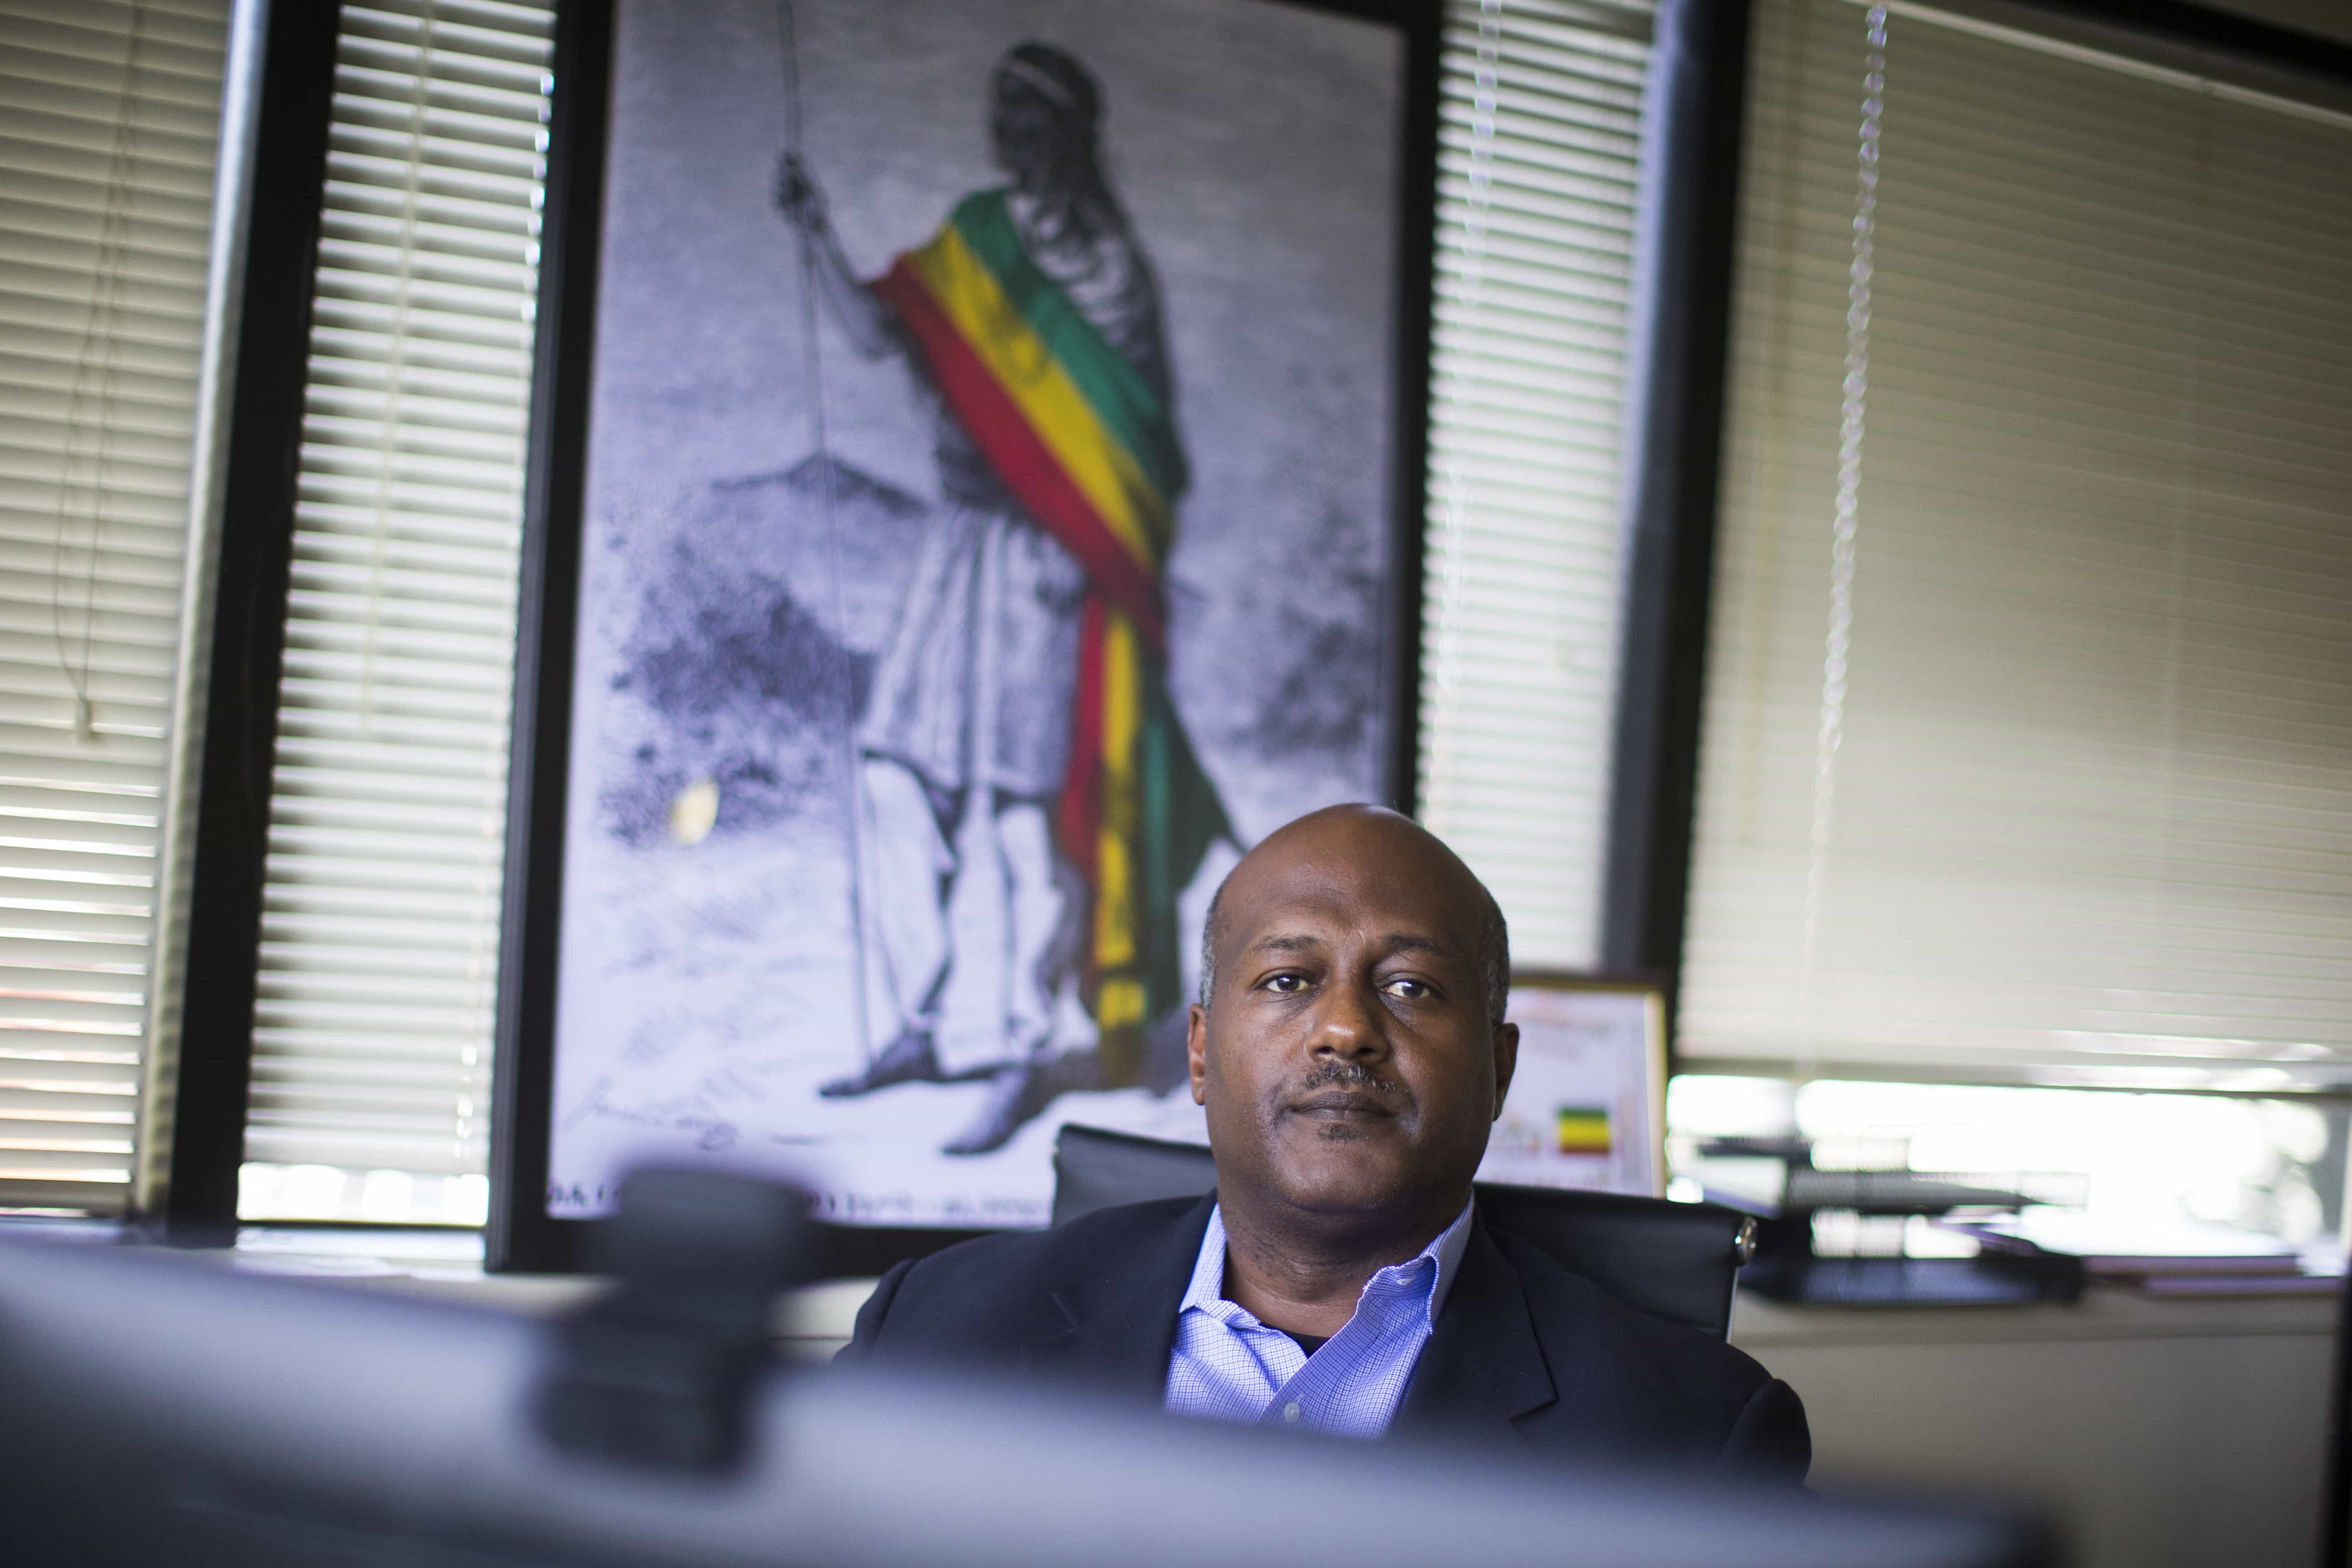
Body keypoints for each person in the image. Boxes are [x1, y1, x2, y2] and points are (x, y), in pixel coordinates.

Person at [838, 805, 1811, 1479]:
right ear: (1201, 1050)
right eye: (1287, 980)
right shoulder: (930, 1334)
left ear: (1500, 1070)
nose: (1346, 1029)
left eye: (1411, 988)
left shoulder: (1695, 1432)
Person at [774, 41, 1229, 1157]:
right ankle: (918, 1026)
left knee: (1029, 820)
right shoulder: (977, 236)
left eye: (1031, 126)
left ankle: (1027, 1047)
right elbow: (885, 330)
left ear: (1069, 139)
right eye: (1002, 124)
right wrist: (814, 234)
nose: (1012, 144)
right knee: (897, 779)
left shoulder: (1113, 273)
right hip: (959, 547)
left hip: (1048, 566)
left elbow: (1141, 452)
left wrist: (1088, 547)